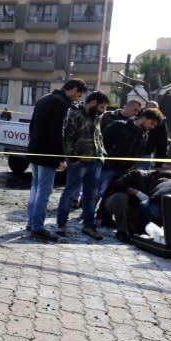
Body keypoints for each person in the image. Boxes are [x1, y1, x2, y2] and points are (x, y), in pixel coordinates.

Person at [25, 78, 88, 242]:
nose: (78, 98)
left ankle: (31, 223)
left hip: (36, 150)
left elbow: (32, 126)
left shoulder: (45, 98)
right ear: (73, 89)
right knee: (44, 191)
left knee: (36, 189)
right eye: (78, 94)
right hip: (48, 153)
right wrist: (60, 158)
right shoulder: (60, 104)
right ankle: (37, 227)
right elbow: (58, 133)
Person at [55, 91, 109, 240]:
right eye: (102, 107)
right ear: (93, 103)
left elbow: (98, 136)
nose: (103, 111)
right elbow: (67, 138)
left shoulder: (97, 116)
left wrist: (101, 156)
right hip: (78, 162)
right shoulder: (74, 114)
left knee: (91, 196)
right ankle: (61, 225)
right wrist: (73, 158)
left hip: (96, 161)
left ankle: (88, 226)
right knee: (70, 193)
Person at [96, 107, 164, 224]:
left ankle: (104, 217)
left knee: (112, 193)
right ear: (143, 118)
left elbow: (139, 153)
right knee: (98, 192)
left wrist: (131, 168)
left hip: (124, 170)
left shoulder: (144, 136)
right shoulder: (118, 125)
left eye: (154, 125)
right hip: (108, 166)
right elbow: (102, 142)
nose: (152, 127)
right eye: (151, 123)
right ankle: (87, 216)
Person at [102, 168, 171, 243]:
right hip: (118, 202)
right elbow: (117, 184)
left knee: (138, 233)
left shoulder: (169, 186)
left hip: (137, 210)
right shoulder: (138, 175)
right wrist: (136, 192)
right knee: (121, 197)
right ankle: (122, 231)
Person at [138, 100, 169, 169]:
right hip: (129, 155)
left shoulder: (160, 122)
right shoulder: (135, 116)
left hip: (146, 154)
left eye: (155, 109)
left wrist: (159, 163)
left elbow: (161, 143)